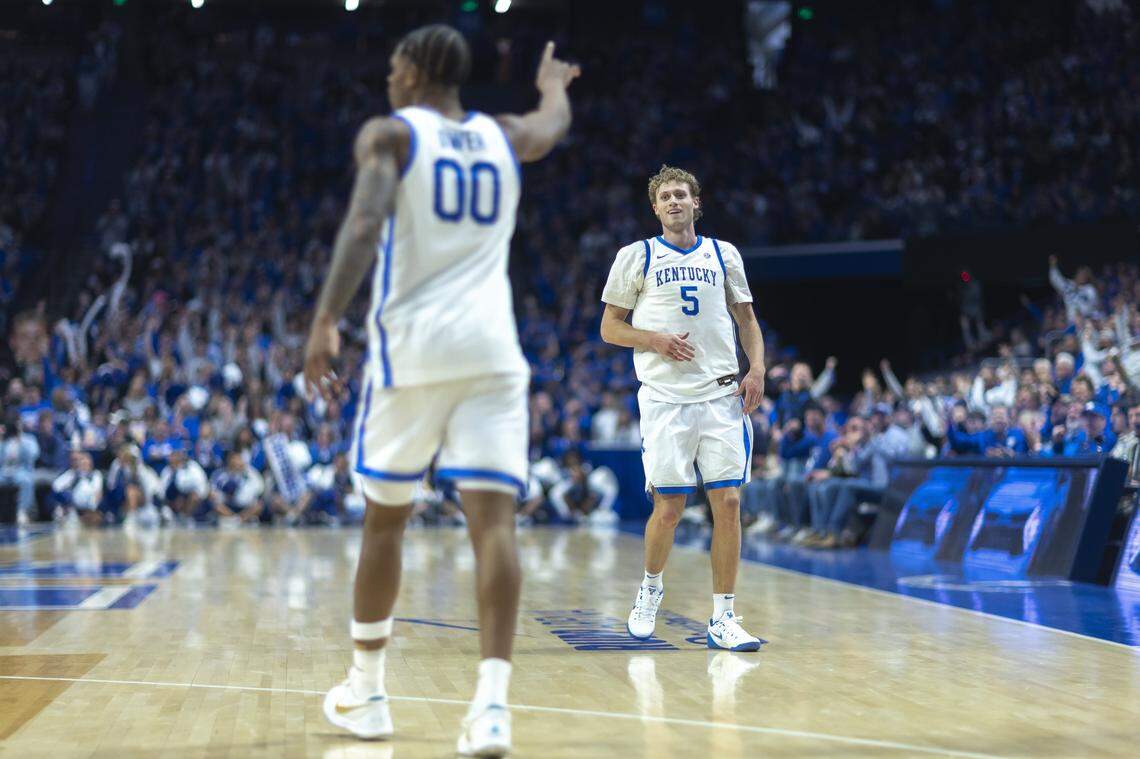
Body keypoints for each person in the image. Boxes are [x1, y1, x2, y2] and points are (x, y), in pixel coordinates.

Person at [301, 25, 578, 755]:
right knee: (494, 525)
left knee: (385, 521)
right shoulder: (503, 132)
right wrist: (552, 88)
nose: (388, 78)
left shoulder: (391, 135)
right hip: (494, 352)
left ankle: (366, 689)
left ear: (417, 71)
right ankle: (491, 707)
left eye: (394, 66)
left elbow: (364, 221)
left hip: (413, 353)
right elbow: (551, 126)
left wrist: (326, 317)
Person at [600, 164, 765, 651]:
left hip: (721, 394)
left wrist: (757, 369)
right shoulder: (637, 256)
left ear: (697, 203)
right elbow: (610, 328)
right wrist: (652, 339)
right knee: (669, 508)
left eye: (681, 195)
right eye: (666, 197)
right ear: (655, 208)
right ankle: (650, 590)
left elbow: (747, 319)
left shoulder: (723, 254)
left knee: (729, 504)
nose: (674, 202)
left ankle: (724, 616)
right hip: (666, 400)